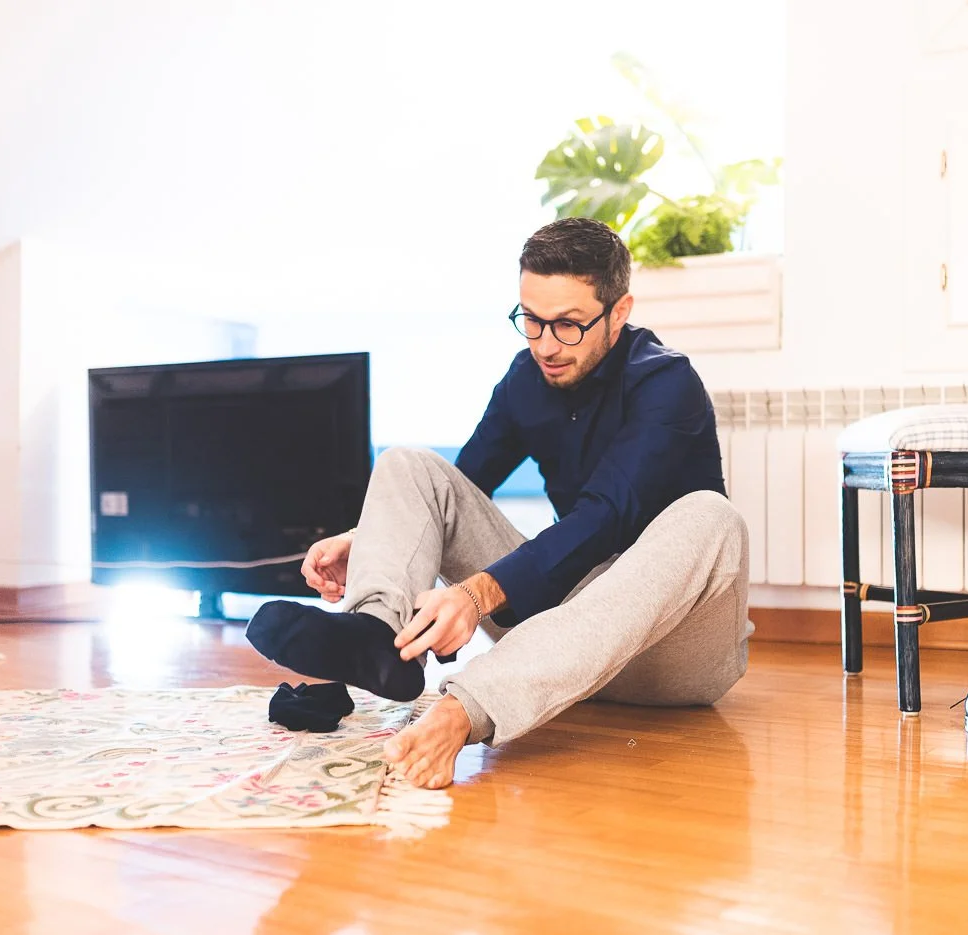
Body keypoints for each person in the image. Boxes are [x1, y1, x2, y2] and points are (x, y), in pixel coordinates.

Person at [246, 217, 753, 789]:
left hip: (671, 655)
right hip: (563, 644)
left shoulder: (668, 384)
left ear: (619, 311)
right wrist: (365, 538)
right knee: (408, 463)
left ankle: (467, 710)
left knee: (712, 516)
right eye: (531, 321)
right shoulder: (525, 378)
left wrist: (475, 592)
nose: (546, 345)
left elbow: (604, 519)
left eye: (568, 325)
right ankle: (379, 636)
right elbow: (457, 485)